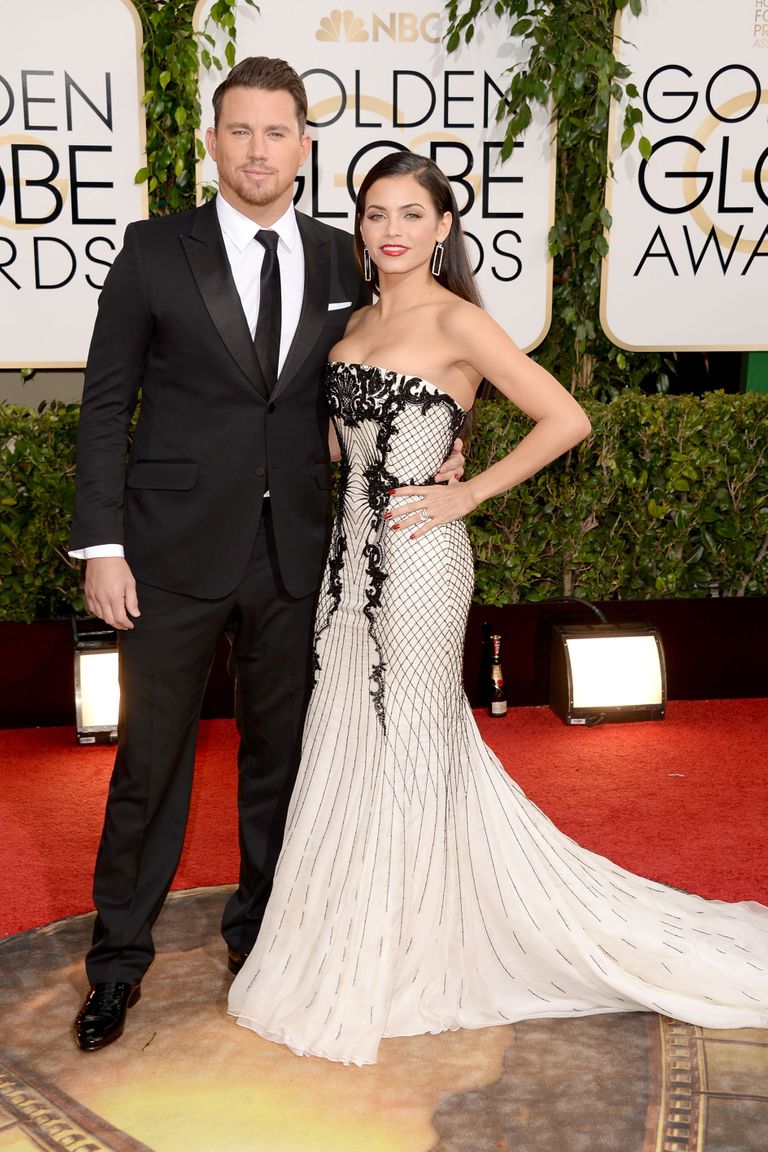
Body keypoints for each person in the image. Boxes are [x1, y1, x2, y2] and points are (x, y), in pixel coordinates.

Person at [228, 152, 768, 1066]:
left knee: (410, 742)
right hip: (344, 569)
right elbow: (335, 444)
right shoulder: (354, 322)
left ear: (443, 228)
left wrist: (468, 490)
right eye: (375, 214)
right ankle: (361, 930)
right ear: (359, 227)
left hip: (421, 562)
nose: (392, 230)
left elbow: (567, 418)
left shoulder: (460, 321)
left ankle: (406, 953)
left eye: (412, 214)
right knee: (348, 740)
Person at [67, 59, 465, 1053]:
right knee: (149, 765)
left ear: (303, 146)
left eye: (276, 132)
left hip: (301, 556)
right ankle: (116, 964)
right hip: (167, 555)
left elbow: (414, 356)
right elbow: (106, 405)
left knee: (281, 763)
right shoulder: (154, 249)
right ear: (213, 142)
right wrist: (102, 546)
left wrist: (449, 444)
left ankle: (264, 942)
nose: (257, 150)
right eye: (239, 131)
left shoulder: (341, 258)